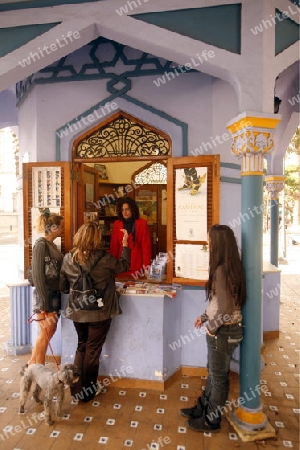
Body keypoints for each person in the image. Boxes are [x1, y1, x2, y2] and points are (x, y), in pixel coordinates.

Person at [180, 224, 246, 433]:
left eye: (209, 239)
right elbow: (220, 301)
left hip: (224, 331)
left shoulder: (221, 269)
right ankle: (203, 408)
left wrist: (212, 327)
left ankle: (211, 419)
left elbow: (226, 308)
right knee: (213, 373)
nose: (207, 243)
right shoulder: (229, 265)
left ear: (218, 243)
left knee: (218, 379)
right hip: (225, 329)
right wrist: (204, 316)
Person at [60, 222, 130, 402]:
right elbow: (123, 266)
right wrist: (125, 245)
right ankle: (88, 393)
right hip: (99, 312)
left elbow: (63, 286)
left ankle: (76, 391)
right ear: (97, 239)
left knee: (82, 346)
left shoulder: (68, 258)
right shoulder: (104, 258)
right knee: (92, 350)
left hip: (77, 311)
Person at [28, 210, 64, 365]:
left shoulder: (52, 245)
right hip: (46, 296)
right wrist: (42, 303)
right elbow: (37, 276)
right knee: (45, 332)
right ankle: (38, 369)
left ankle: (31, 365)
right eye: (61, 226)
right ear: (54, 227)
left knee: (50, 330)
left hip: (54, 294)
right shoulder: (41, 245)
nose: (63, 229)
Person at [109, 196, 151, 277]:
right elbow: (114, 247)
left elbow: (146, 247)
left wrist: (146, 267)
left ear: (132, 209)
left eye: (127, 209)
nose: (124, 212)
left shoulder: (142, 224)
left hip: (137, 266)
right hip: (121, 265)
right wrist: (112, 266)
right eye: (122, 210)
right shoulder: (117, 224)